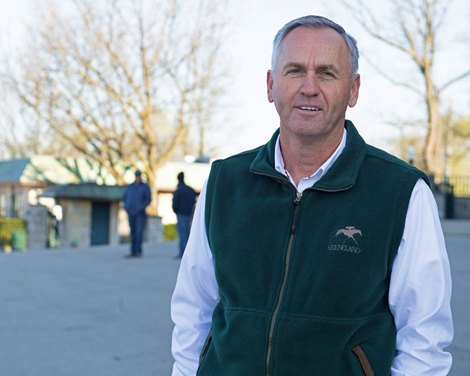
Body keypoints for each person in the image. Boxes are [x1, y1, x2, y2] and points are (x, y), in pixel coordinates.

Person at [171, 15, 453, 375]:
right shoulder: (226, 181)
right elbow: (192, 308)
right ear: (271, 85)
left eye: (326, 73)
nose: (309, 87)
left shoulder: (401, 191)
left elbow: (425, 338)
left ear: (353, 90)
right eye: (294, 71)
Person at [123, 169, 151, 258]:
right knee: (133, 233)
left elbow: (148, 199)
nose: (137, 177)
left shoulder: (145, 187)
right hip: (131, 213)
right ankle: (133, 251)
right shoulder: (130, 187)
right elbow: (125, 198)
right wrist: (126, 208)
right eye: (136, 176)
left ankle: (138, 251)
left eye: (138, 176)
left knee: (139, 232)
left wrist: (140, 208)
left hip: (140, 214)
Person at [172, 172, 196, 258]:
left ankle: (183, 253)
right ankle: (187, 253)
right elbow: (194, 201)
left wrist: (176, 211)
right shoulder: (190, 189)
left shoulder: (178, 190)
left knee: (182, 234)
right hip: (189, 213)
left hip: (181, 214)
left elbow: (174, 204)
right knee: (187, 234)